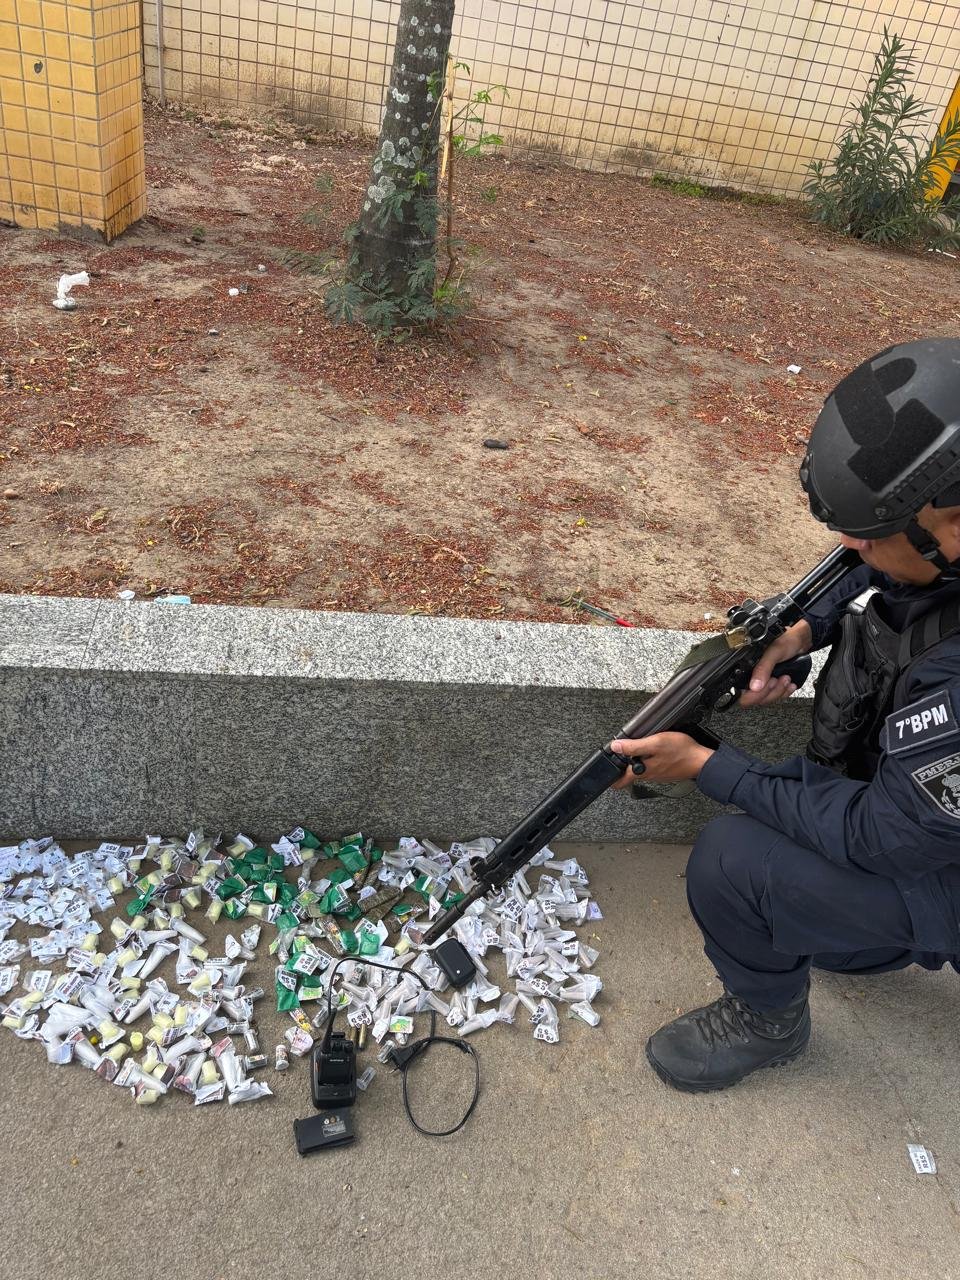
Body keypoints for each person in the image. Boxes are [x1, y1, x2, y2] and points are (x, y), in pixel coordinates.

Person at [608, 337, 960, 1093]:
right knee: (792, 831)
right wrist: (806, 630)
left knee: (732, 862)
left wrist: (710, 768)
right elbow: (889, 585)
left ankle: (770, 1020)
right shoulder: (941, 546)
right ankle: (863, 936)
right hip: (919, 816)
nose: (849, 546)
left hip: (929, 850)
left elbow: (883, 837)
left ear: (953, 524)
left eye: (870, 531)